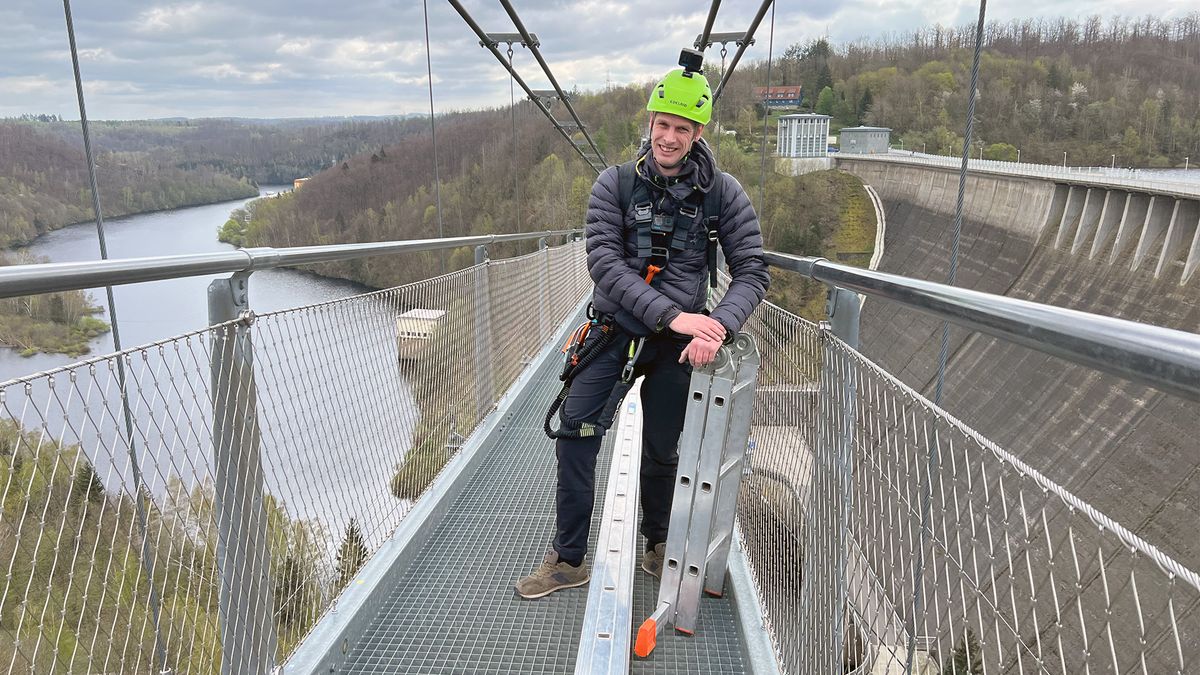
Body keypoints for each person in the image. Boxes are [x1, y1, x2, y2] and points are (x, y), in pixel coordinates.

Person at [516, 57, 769, 599]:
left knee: (663, 447)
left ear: (697, 133)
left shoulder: (723, 194)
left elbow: (752, 271)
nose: (669, 137)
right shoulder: (614, 185)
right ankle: (567, 560)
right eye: (663, 124)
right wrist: (678, 316)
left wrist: (716, 328)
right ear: (649, 123)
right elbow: (604, 264)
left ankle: (658, 544)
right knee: (577, 435)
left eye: (682, 128)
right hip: (615, 330)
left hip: (680, 347)